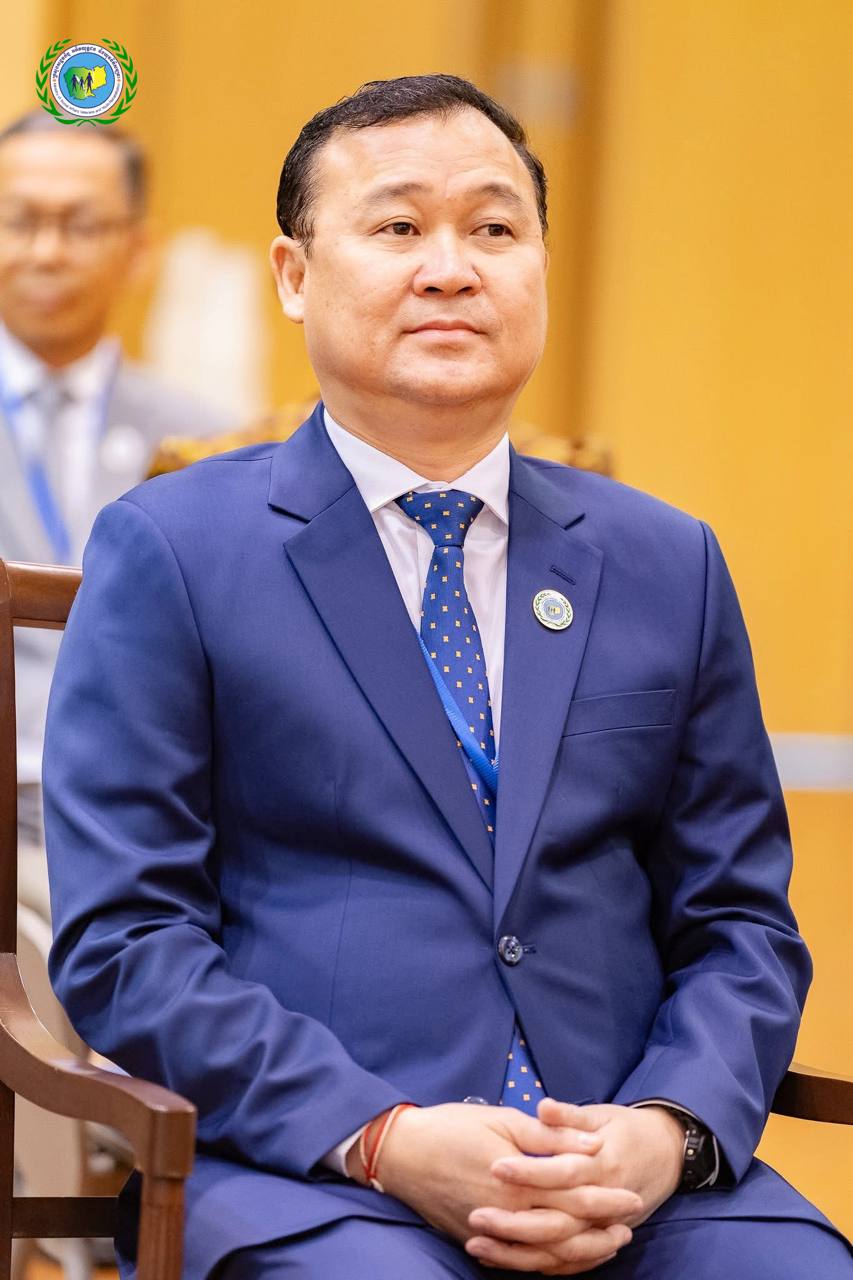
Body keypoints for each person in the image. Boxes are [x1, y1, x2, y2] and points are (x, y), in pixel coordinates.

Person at [43, 75, 851, 1280]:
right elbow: (127, 936)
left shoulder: (664, 559)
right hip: (316, 1172)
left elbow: (738, 920)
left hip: (625, 1178)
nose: (450, 269)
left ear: (539, 266)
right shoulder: (171, 548)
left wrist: (666, 1128)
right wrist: (383, 1135)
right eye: (397, 226)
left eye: (493, 228)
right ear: (293, 275)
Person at [0, 112, 229, 913]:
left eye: (81, 225)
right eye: (19, 221)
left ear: (138, 249)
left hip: (147, 820)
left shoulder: (204, 440)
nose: (46, 251)